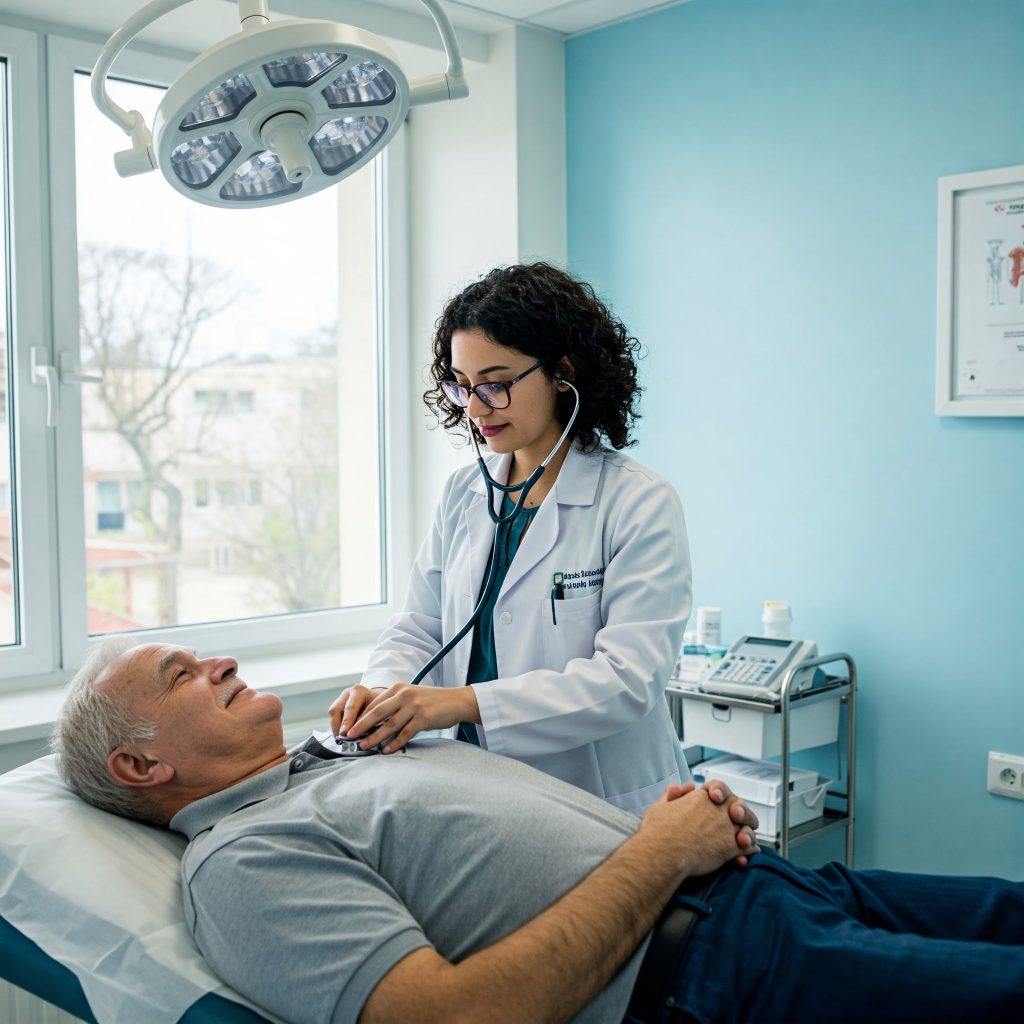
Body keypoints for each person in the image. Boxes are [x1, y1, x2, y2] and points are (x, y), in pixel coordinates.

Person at [54, 641, 1024, 1024]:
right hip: (717, 969)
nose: (218, 657)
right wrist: (658, 852)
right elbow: (458, 1019)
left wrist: (679, 827)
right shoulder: (240, 864)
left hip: (764, 888)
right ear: (142, 767)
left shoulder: (331, 763)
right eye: (181, 674)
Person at [330, 263, 694, 813]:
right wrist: (383, 692)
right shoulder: (464, 494)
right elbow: (419, 627)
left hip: (601, 802)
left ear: (562, 372)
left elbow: (628, 681)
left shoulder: (637, 502)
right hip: (479, 793)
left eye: (496, 384)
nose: (475, 409)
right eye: (463, 386)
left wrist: (462, 704)